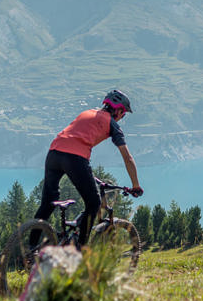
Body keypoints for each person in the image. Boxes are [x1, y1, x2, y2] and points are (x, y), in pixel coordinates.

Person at [34, 89, 143, 247]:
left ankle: (30, 249)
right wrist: (135, 185)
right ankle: (80, 249)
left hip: (53, 154)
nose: (122, 117)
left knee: (48, 203)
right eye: (123, 113)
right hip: (75, 158)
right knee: (93, 203)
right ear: (118, 110)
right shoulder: (112, 124)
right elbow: (127, 157)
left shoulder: (87, 112)